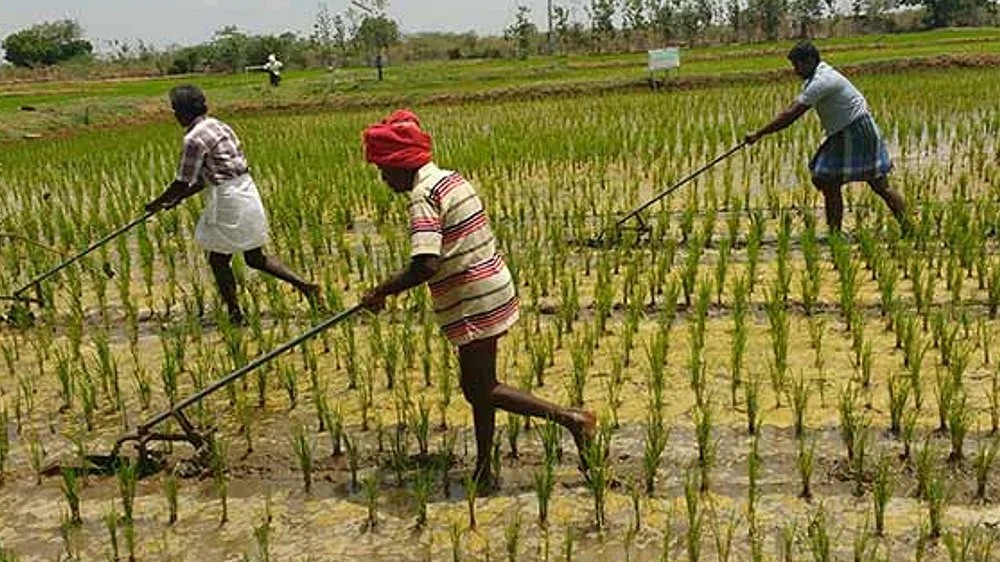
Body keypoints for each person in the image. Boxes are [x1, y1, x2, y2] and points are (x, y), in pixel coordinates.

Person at [360, 109, 596, 489]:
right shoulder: (449, 179)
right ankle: (484, 467)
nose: (384, 179)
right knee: (482, 386)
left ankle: (573, 420)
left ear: (402, 164)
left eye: (385, 170)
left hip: (474, 298)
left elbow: (426, 265)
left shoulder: (423, 197)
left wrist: (380, 292)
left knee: (480, 388)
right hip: (493, 286)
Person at [145, 85, 320, 325]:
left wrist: (156, 203)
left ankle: (235, 314)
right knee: (254, 257)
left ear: (184, 111)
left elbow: (183, 182)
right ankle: (306, 286)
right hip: (246, 190)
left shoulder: (193, 139)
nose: (174, 115)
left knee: (218, 260)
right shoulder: (220, 126)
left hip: (228, 200)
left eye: (175, 110)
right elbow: (204, 178)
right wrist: (177, 199)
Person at [744, 41, 908, 235]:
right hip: (849, 130)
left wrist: (759, 133)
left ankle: (840, 233)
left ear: (811, 61)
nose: (795, 70)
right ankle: (836, 233)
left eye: (798, 65)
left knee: (868, 183)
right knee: (832, 180)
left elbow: (790, 115)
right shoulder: (817, 77)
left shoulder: (823, 80)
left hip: (855, 131)